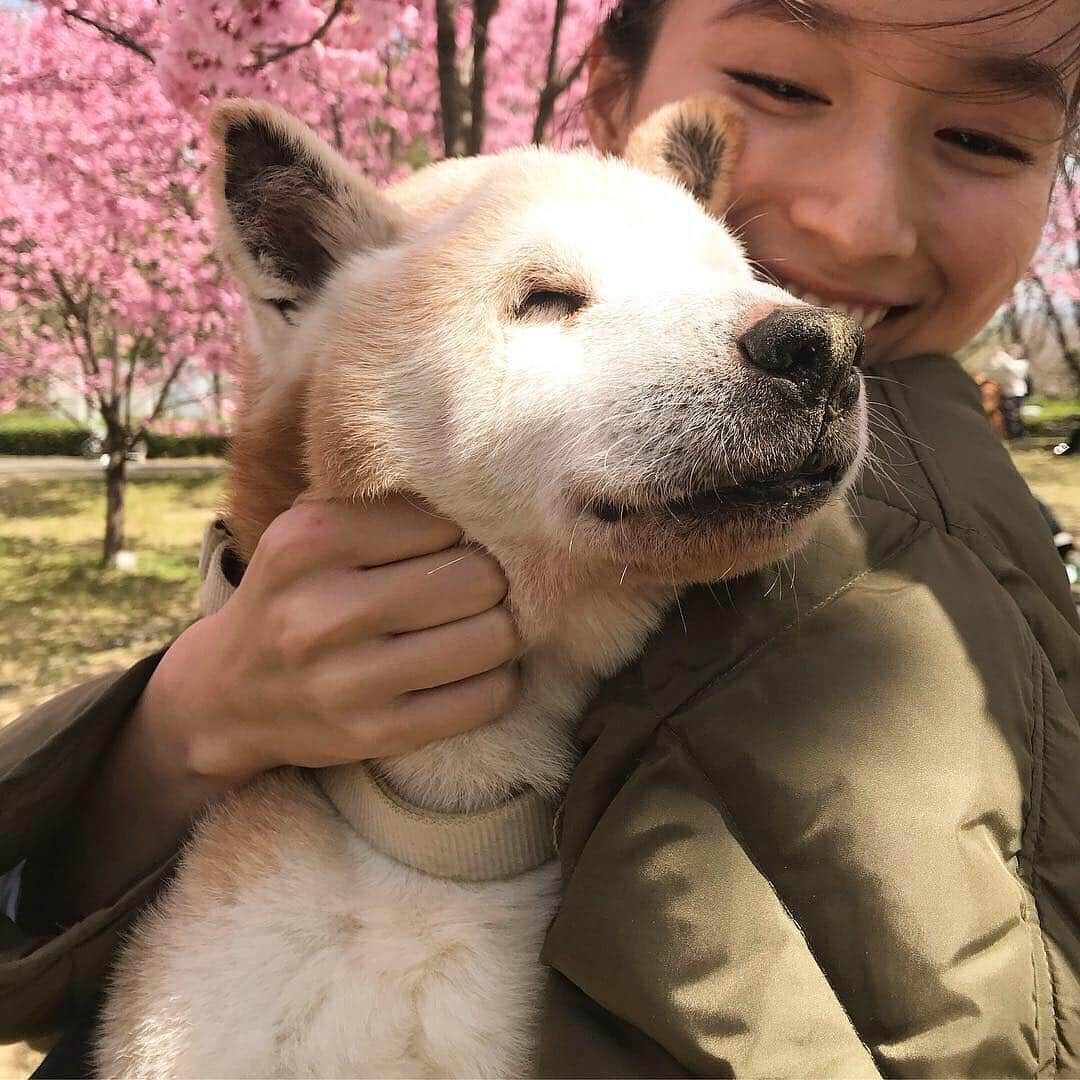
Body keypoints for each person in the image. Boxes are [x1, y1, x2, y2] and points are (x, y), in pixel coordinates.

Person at [3, 1, 1079, 1075]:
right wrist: (185, 719)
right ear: (611, 89)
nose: (857, 227)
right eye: (787, 88)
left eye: (983, 138)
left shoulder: (939, 551)